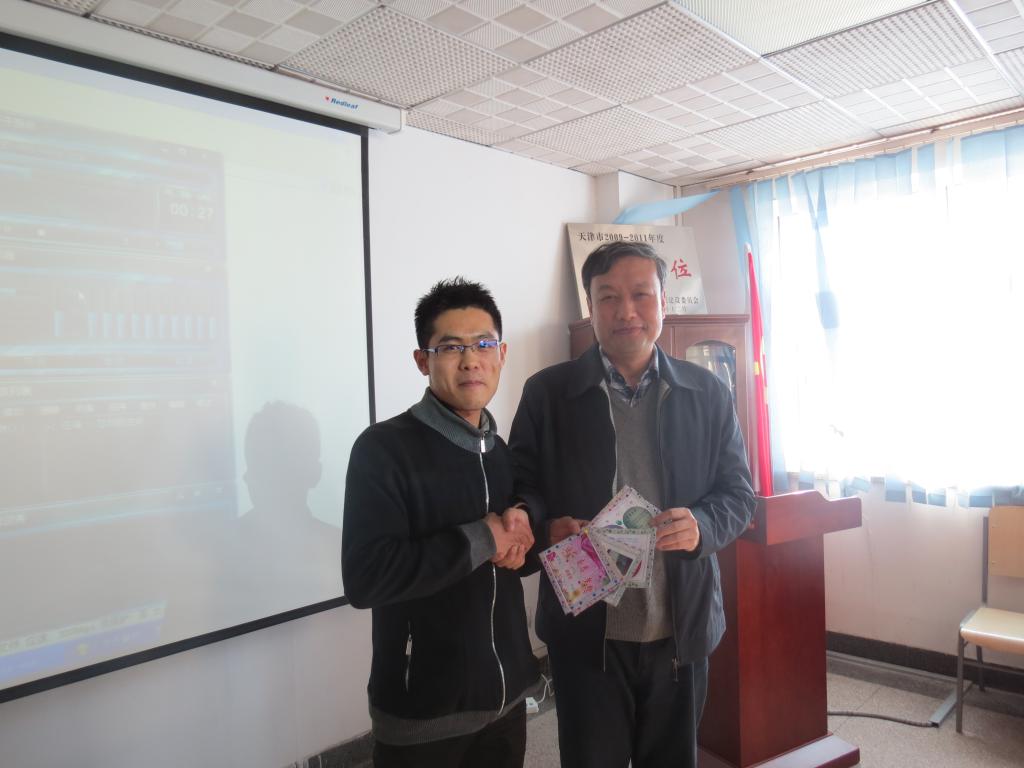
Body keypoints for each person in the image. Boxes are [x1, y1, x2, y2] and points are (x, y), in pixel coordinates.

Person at [509, 241, 756, 768]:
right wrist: (544, 526)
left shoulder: (707, 393)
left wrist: (702, 525)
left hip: (679, 630)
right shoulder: (547, 394)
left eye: (641, 294)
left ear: (664, 301)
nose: (626, 311)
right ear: (590, 306)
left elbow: (739, 494)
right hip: (585, 636)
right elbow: (519, 490)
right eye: (608, 297)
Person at [343, 278, 539, 768]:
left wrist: (531, 532)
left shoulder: (497, 450)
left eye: (484, 345)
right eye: (450, 347)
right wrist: (484, 535)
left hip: (507, 702)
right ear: (422, 360)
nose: (471, 360)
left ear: (502, 354)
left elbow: (508, 559)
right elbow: (366, 578)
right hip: (423, 715)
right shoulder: (384, 449)